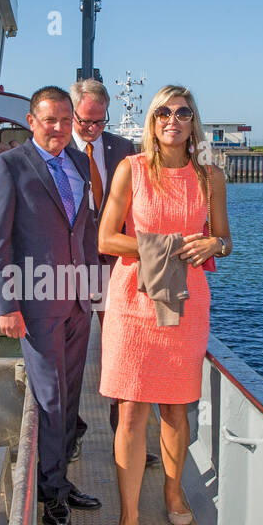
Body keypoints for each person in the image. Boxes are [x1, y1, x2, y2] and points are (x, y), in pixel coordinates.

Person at [97, 85, 231, 525]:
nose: (172, 119)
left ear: (193, 122)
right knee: (131, 411)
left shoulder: (211, 177)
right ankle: (128, 518)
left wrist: (215, 245)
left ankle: (173, 492)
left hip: (187, 303)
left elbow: (224, 239)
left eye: (183, 112)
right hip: (134, 303)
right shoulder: (129, 171)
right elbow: (106, 240)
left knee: (175, 408)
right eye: (163, 112)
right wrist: (164, 247)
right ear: (152, 122)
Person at [0, 86, 102, 525]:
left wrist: (93, 285)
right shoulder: (9, 166)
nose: (59, 128)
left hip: (76, 302)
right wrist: (6, 305)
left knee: (70, 396)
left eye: (66, 121)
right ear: (31, 121)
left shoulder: (79, 163)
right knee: (50, 398)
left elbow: (85, 231)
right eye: (50, 120)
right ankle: (50, 493)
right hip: (34, 303)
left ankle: (61, 479)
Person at [66, 78, 158, 466]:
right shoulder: (54, 149)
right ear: (72, 113)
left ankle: (130, 437)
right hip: (68, 267)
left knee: (126, 354)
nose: (92, 129)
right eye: (85, 121)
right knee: (69, 355)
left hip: (117, 266)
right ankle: (69, 436)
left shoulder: (123, 149)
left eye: (99, 122)